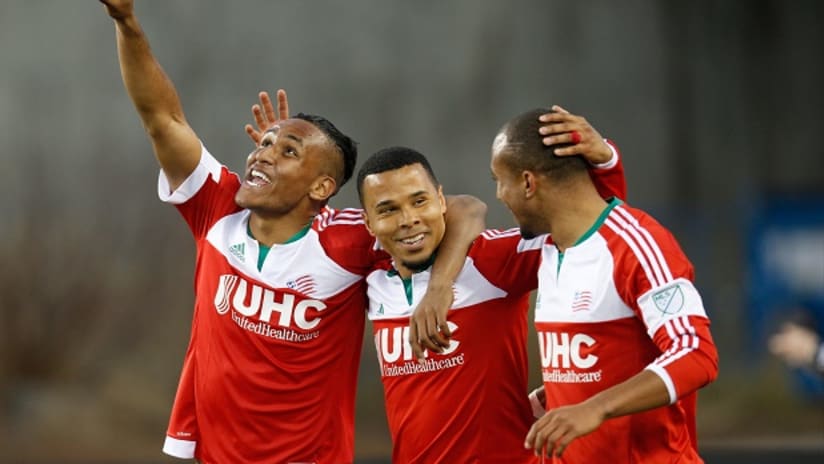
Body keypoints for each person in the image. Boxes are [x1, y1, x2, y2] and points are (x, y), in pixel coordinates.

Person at [99, 1, 483, 462]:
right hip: (214, 453)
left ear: (322, 186)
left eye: (288, 151)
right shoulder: (217, 208)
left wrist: (438, 289)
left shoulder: (350, 242)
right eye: (263, 145)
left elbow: (463, 208)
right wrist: (127, 22)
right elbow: (163, 120)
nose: (261, 155)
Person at [352, 126, 625, 460]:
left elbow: (592, 229)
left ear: (441, 200)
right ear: (369, 224)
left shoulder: (492, 261)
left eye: (419, 201)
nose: (408, 219)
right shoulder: (370, 279)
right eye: (388, 209)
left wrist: (607, 162)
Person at [483, 107, 719, 462]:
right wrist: (568, 391)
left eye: (500, 180)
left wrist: (595, 406)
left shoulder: (638, 244)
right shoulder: (548, 249)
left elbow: (696, 354)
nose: (500, 195)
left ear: (529, 183)